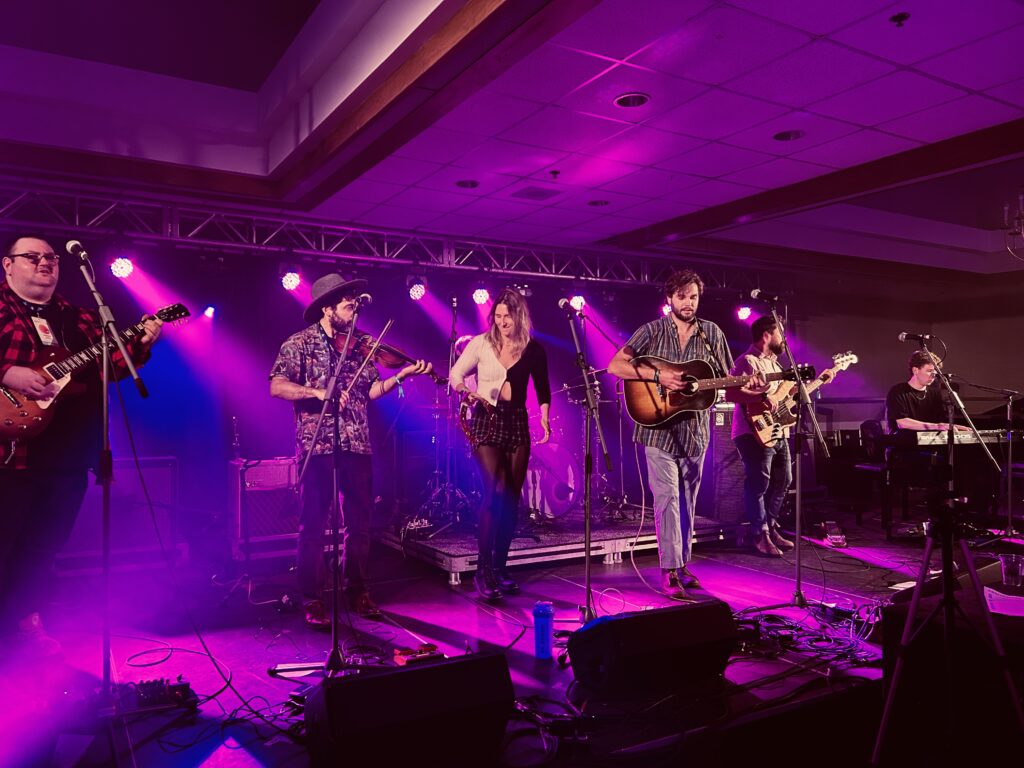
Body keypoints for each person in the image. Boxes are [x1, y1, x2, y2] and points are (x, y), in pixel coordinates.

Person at [0, 234, 163, 658]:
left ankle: (25, 626)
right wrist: (7, 372)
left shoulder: (83, 317)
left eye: (51, 258)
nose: (44, 263)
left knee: (43, 548)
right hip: (9, 454)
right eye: (32, 257)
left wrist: (140, 345)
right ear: (8, 265)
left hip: (68, 454)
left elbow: (111, 369)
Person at [270, 274, 431, 625]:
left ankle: (357, 591)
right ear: (327, 308)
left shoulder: (359, 345)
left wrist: (400, 377)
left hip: (357, 444)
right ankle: (312, 598)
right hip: (318, 446)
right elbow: (277, 386)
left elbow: (370, 391)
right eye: (347, 304)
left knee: (359, 525)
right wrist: (317, 393)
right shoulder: (299, 343)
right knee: (312, 526)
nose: (353, 308)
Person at [608, 269, 735, 600]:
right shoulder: (651, 331)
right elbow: (615, 366)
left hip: (694, 432)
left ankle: (681, 565)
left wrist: (752, 385)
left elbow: (728, 378)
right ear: (669, 298)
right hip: (657, 430)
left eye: (693, 296)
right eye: (682, 296)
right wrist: (658, 377)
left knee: (688, 502)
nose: (688, 302)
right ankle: (669, 570)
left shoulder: (712, 333)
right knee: (667, 499)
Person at [449, 288, 551, 601]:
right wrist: (467, 393)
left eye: (508, 316)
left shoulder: (533, 348)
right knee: (495, 490)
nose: (503, 321)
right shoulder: (481, 343)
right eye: (498, 316)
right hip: (485, 418)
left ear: (519, 316)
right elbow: (455, 374)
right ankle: (483, 570)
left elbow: (543, 387)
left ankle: (500, 568)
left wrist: (545, 418)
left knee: (510, 498)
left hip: (516, 421)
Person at [726, 315, 794, 557]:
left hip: (778, 430)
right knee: (759, 483)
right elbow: (731, 394)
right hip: (751, 432)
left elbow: (783, 397)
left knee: (784, 480)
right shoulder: (747, 361)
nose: (784, 338)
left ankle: (771, 526)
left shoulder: (776, 366)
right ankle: (759, 533)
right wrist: (763, 398)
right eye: (780, 333)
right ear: (767, 335)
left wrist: (818, 382)